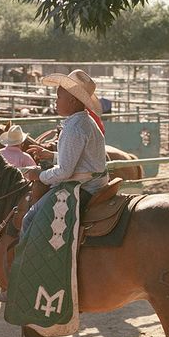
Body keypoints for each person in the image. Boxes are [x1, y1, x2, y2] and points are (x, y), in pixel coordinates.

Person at [23, 69, 108, 232]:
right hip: (97, 183)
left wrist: (39, 175)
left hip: (84, 187)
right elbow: (82, 159)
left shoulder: (74, 128)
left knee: (30, 219)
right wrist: (53, 156)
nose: (55, 102)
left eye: (59, 97)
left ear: (72, 101)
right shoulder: (87, 122)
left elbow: (65, 172)